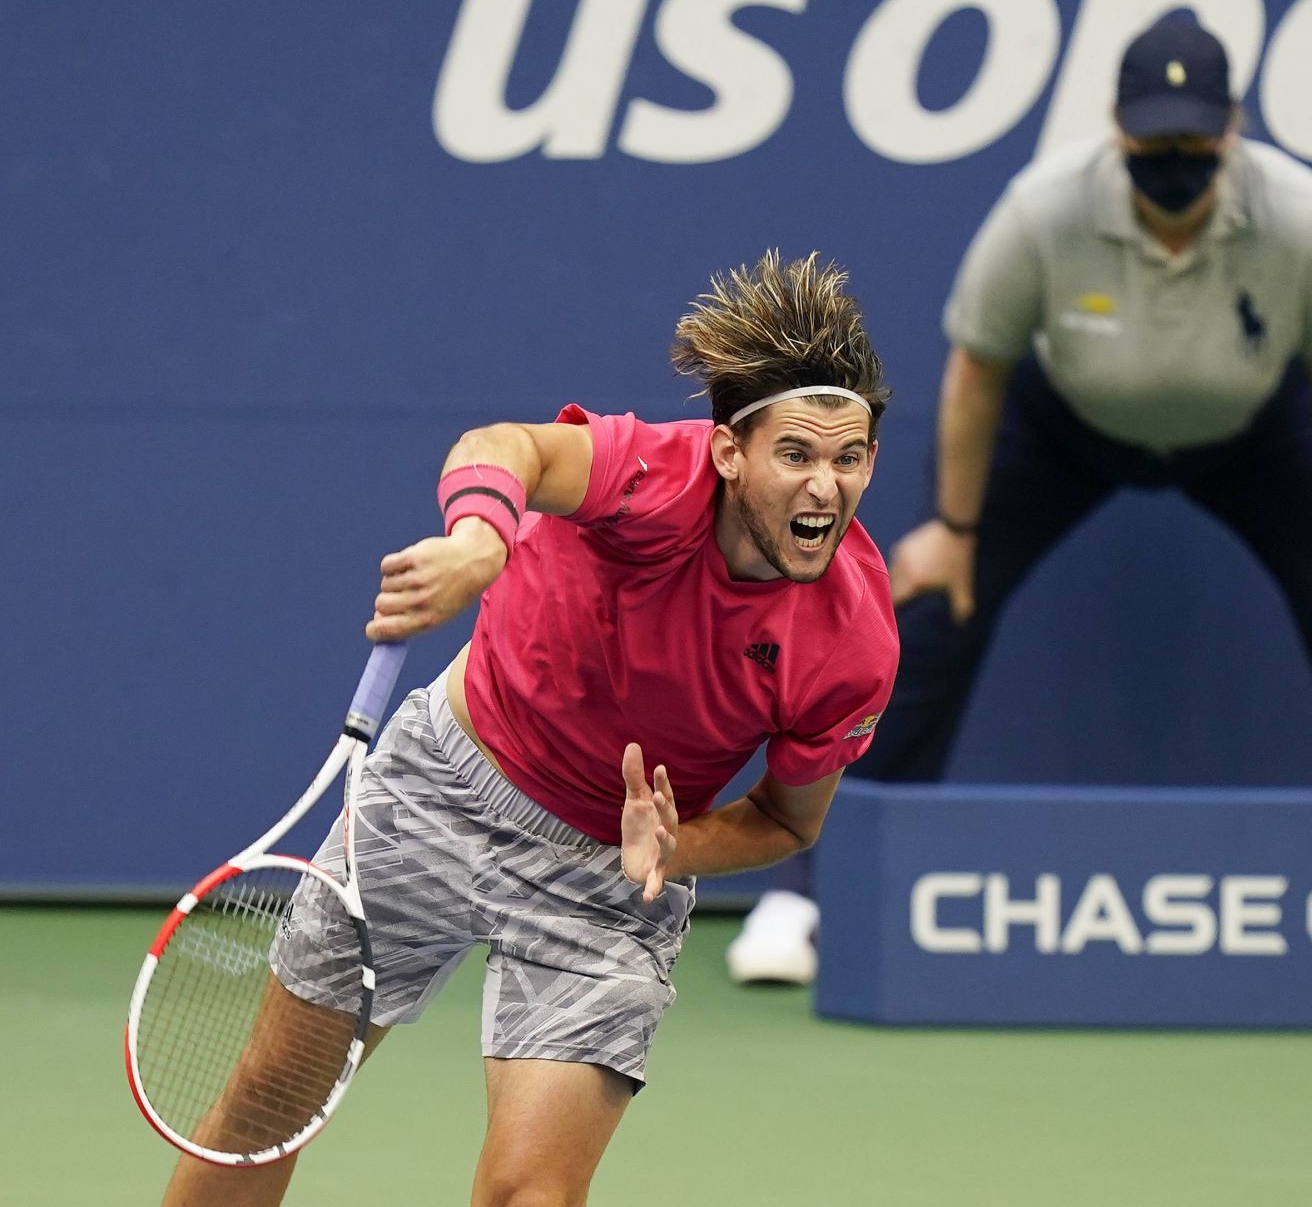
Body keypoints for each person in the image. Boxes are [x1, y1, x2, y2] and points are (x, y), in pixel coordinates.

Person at [726, 15, 1312, 997]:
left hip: (1255, 429)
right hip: (1063, 427)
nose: (1174, 160)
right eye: (1154, 140)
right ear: (1117, 127)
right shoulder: (1042, 212)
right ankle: (814, 885)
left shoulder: (1310, 221)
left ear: (1234, 129)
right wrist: (954, 533)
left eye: (1195, 143)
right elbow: (978, 372)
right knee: (921, 607)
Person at [161, 252, 898, 1207]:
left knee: (532, 1197)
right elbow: (507, 446)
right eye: (796, 455)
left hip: (604, 877)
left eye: (851, 459)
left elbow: (789, 822)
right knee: (270, 1106)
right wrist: (480, 543)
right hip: (444, 787)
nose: (826, 489)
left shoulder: (853, 643)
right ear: (728, 452)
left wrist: (676, 847)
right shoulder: (658, 475)